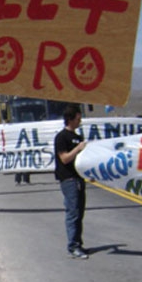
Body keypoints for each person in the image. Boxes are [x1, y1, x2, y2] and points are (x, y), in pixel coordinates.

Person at [54, 104, 88, 260]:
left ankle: (78, 243)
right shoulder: (61, 137)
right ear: (71, 119)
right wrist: (78, 149)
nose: (79, 121)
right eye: (78, 118)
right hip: (68, 179)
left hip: (79, 178)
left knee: (79, 212)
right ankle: (73, 246)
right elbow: (65, 158)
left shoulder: (79, 137)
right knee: (72, 212)